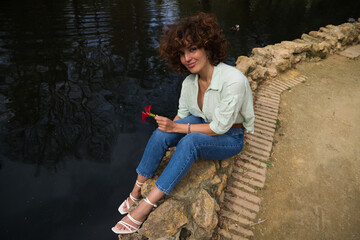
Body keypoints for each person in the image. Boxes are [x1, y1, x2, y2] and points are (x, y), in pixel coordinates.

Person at [112, 12, 254, 234]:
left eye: (193, 49)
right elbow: (181, 115)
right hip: (203, 122)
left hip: (230, 136)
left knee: (190, 143)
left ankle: (146, 206)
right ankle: (136, 190)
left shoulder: (233, 80)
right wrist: (168, 131)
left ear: (207, 47)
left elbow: (219, 128)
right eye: (181, 53)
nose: (187, 58)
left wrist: (178, 129)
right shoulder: (189, 82)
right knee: (161, 133)